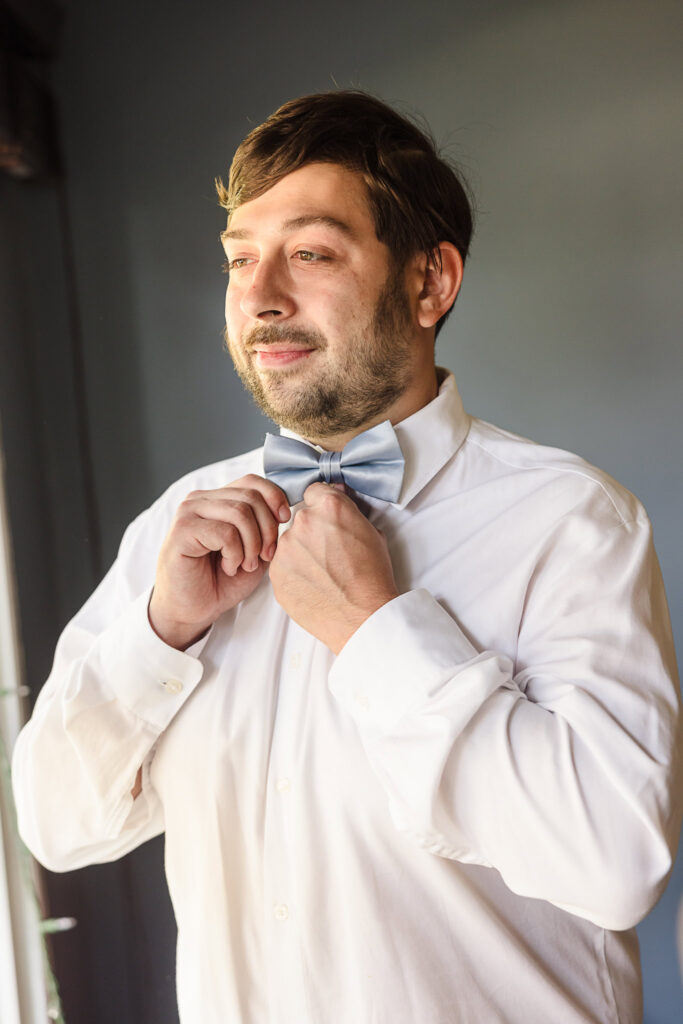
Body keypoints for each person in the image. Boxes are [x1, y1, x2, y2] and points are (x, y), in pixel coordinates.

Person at [11, 91, 683, 1024]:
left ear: (429, 282)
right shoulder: (175, 528)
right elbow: (55, 825)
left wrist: (375, 633)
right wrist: (161, 635)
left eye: (311, 253)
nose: (260, 296)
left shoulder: (571, 521)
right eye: (240, 260)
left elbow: (615, 862)